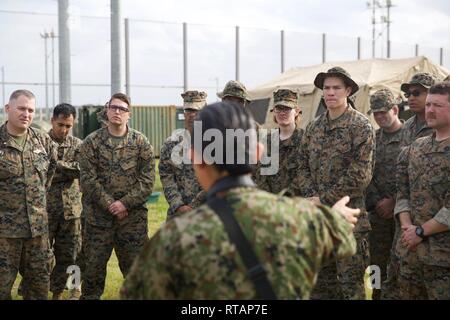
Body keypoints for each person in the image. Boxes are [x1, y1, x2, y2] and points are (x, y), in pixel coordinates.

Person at [120, 101, 361, 299]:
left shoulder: (171, 241)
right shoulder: (305, 220)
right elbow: (344, 241)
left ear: (196, 158)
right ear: (258, 153)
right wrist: (335, 216)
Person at [295, 67, 375, 300]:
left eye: (336, 88)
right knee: (319, 288)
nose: (330, 93)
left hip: (348, 224)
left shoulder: (360, 126)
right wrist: (312, 198)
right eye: (326, 88)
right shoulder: (314, 127)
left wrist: (323, 198)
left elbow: (361, 175)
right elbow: (302, 166)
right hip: (319, 221)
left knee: (350, 288)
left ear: (348, 91)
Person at [79, 93, 155, 299]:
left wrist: (124, 204)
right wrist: (110, 204)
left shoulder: (141, 143)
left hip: (132, 222)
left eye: (122, 109)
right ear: (107, 110)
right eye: (113, 107)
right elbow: (87, 180)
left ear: (129, 114)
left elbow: (147, 181)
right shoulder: (91, 143)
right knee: (92, 277)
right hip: (97, 221)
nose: (117, 112)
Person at [394, 82, 450, 299]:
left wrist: (420, 232)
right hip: (411, 254)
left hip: (443, 259)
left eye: (437, 105)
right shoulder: (416, 148)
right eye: (428, 105)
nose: (430, 110)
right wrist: (408, 228)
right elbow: (403, 191)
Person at [0, 89, 57, 300]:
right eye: (21, 108)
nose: (27, 114)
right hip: (5, 234)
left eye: (31, 110)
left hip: (38, 234)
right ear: (8, 109)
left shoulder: (43, 141)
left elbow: (48, 176)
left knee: (39, 289)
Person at [365, 89, 405, 299]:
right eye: (376, 113)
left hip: (403, 215)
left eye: (383, 112)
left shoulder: (410, 136)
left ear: (395, 109)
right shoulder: (371, 138)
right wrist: (378, 203)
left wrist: (394, 202)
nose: (379, 117)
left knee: (400, 265)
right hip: (378, 214)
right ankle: (376, 296)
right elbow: (365, 175)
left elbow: (414, 176)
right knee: (376, 265)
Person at [45, 103, 83, 300]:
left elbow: (80, 169)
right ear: (52, 120)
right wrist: (65, 171)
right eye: (60, 124)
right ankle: (53, 292)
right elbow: (39, 172)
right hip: (46, 210)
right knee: (44, 255)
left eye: (68, 125)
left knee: (72, 254)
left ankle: (75, 289)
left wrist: (55, 166)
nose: (64, 129)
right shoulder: (41, 142)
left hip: (71, 211)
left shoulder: (78, 144)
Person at [159, 91, 206, 220]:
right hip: (177, 215)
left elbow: (217, 179)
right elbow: (166, 176)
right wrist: (178, 205)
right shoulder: (171, 144)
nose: (192, 115)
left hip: (206, 214)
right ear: (183, 113)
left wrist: (194, 206)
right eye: (189, 110)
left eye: (197, 111)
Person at [256, 89, 303, 195]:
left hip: (296, 204)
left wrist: (285, 197)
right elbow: (259, 175)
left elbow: (305, 175)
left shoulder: (306, 140)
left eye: (287, 108)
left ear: (296, 111)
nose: (282, 113)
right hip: (268, 203)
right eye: (279, 108)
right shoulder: (266, 141)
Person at [400, 73, 437, 144]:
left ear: (432, 94)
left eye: (416, 93)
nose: (411, 98)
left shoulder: (443, 125)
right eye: (408, 94)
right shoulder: (407, 125)